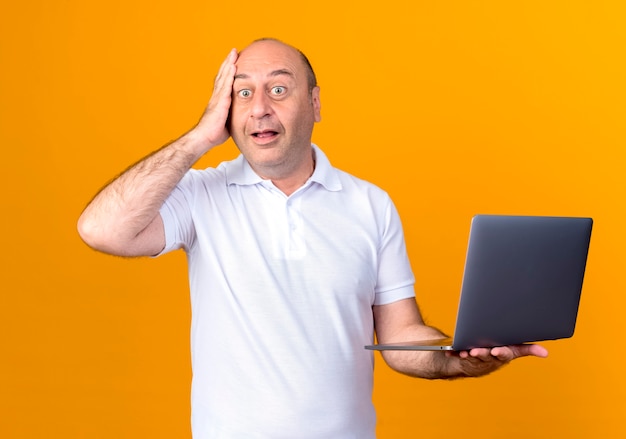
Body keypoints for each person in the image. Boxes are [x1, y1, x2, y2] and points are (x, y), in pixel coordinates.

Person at [77, 38, 548, 438]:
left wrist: (462, 357)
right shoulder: (201, 196)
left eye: (278, 89)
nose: (260, 107)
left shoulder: (370, 205)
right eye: (242, 94)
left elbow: (401, 337)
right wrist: (198, 138)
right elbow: (100, 229)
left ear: (316, 104)